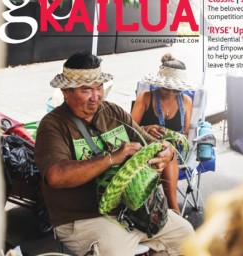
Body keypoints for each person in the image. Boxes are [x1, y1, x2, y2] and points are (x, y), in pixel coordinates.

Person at [34, 51, 193, 256]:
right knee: (114, 251)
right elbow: (56, 176)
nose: (95, 97)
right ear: (66, 91)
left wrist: (165, 152)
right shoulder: (53, 125)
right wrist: (111, 158)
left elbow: (151, 143)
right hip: (83, 218)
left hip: (133, 210)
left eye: (99, 88)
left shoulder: (113, 113)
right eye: (86, 90)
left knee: (186, 235)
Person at [131, 53, 193, 140]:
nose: (171, 93)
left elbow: (186, 134)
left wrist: (179, 139)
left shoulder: (186, 101)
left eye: (176, 90)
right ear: (159, 84)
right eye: (166, 88)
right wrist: (146, 129)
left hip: (173, 151)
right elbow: (129, 129)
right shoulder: (145, 97)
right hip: (146, 148)